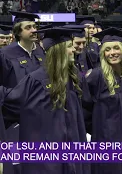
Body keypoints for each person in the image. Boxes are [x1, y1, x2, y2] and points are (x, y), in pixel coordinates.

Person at [0, 27, 91, 174]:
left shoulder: (71, 77)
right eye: (69, 46)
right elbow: (11, 103)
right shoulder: (37, 80)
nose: (73, 49)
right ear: (58, 51)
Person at [85, 27, 122, 174]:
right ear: (102, 53)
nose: (112, 53)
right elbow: (85, 108)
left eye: (116, 48)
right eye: (107, 49)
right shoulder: (96, 76)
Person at [0, 11, 45, 174]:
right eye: (29, 27)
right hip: (14, 120)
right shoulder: (5, 54)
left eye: (35, 26)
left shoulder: (41, 53)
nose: (34, 30)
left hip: (40, 117)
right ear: (19, 32)